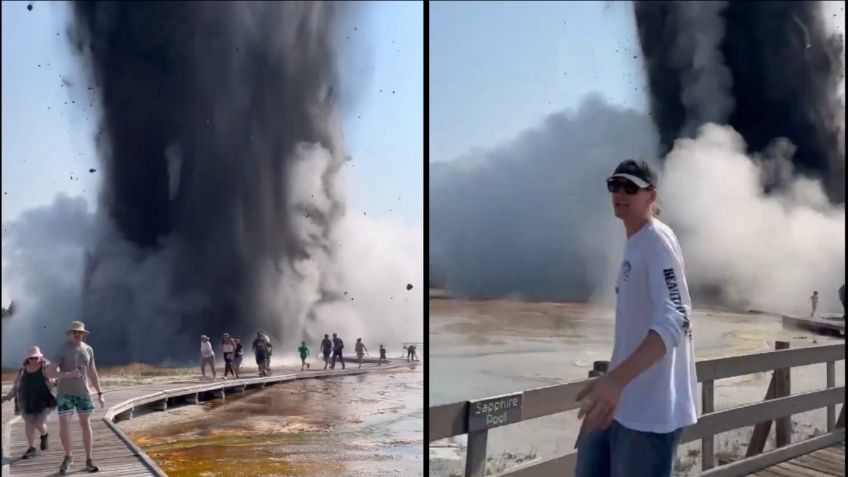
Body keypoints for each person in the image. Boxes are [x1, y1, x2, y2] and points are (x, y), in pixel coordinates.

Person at [574, 160, 697, 477]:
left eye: (631, 187)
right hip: (619, 405)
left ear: (651, 194)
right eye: (614, 185)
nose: (621, 193)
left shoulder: (656, 241)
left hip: (650, 415)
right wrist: (611, 383)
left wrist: (615, 380)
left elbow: (677, 319)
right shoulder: (636, 242)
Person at [47, 321, 106, 475]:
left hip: (84, 393)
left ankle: (89, 459)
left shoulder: (89, 349)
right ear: (69, 334)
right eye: (75, 332)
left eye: (80, 333)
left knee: (86, 424)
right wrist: (68, 374)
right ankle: (68, 456)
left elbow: (92, 372)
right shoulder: (62, 348)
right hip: (65, 393)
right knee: (64, 425)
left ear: (84, 334)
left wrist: (100, 393)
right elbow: (50, 372)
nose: (78, 335)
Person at [2, 346, 71, 460]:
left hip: (44, 400)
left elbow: (57, 376)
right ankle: (31, 448)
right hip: (27, 399)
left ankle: (44, 435)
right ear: (28, 358)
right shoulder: (23, 369)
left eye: (36, 357)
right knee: (29, 423)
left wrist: (53, 381)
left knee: (39, 423)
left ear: (40, 356)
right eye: (31, 358)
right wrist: (8, 396)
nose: (34, 360)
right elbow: (17, 385)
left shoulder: (47, 366)